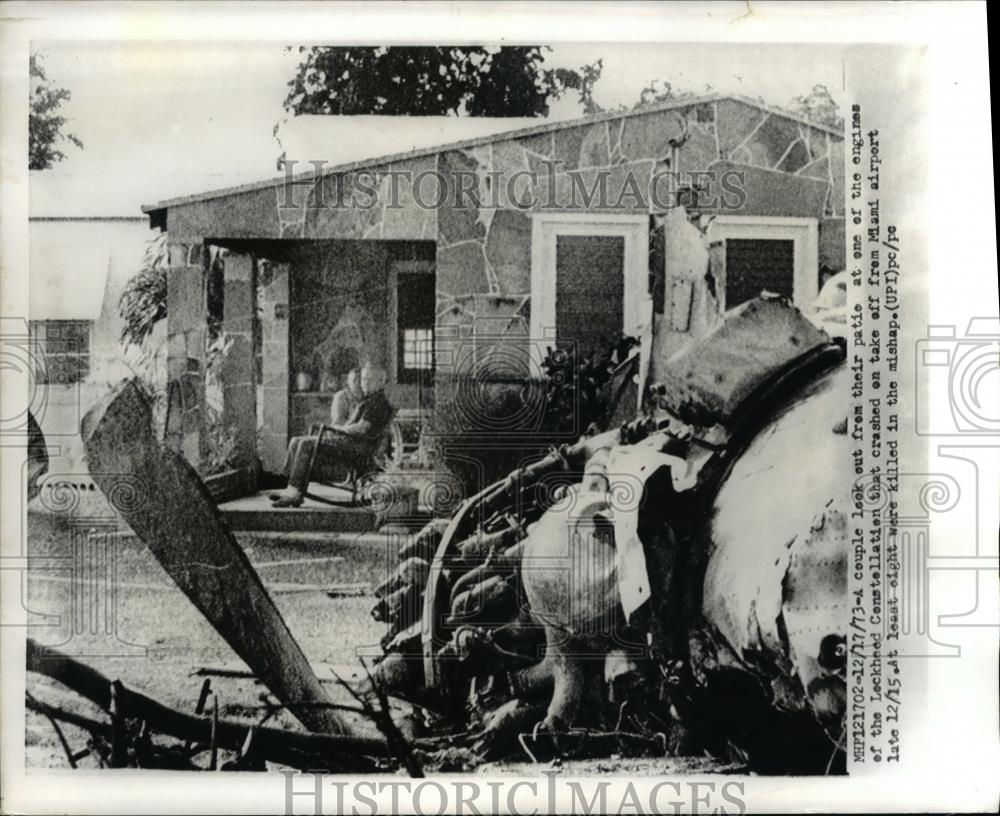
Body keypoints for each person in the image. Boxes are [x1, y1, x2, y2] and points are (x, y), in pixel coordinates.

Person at [271, 362, 393, 507]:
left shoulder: (378, 402)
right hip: (351, 442)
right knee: (296, 441)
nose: (363, 383)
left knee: (306, 444)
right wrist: (342, 429)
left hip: (357, 447)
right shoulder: (371, 399)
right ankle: (291, 487)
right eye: (363, 379)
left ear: (380, 381)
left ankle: (295, 493)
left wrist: (340, 430)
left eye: (368, 379)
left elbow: (362, 428)